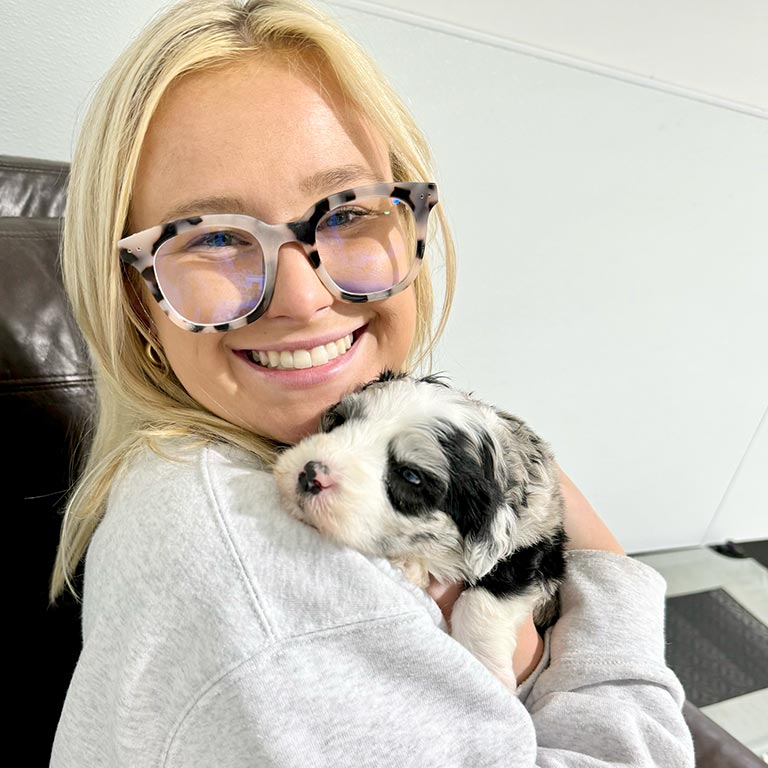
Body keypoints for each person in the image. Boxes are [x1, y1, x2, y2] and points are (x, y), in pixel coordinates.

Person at [49, 1, 694, 765]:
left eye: (348, 211)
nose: (301, 297)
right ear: (136, 294)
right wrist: (611, 577)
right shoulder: (275, 599)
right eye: (216, 237)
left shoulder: (200, 461)